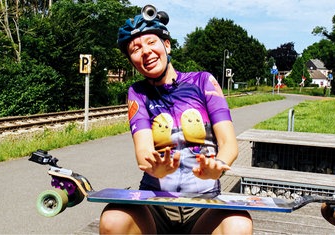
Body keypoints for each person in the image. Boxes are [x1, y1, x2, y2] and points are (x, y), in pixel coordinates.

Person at [99, 5, 253, 234]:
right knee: (113, 219)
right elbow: (143, 151)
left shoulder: (203, 81)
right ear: (132, 61)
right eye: (135, 49)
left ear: (167, 45)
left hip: (204, 204)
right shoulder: (137, 93)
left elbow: (229, 143)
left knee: (239, 223)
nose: (145, 52)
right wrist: (156, 169)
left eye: (151, 42)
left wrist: (217, 168)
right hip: (154, 202)